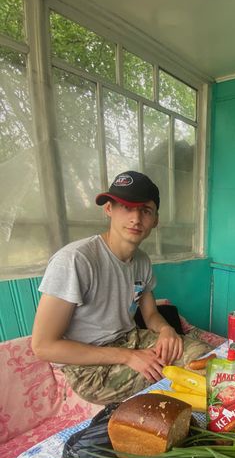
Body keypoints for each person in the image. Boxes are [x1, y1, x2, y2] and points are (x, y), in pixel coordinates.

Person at [32, 170, 206, 405]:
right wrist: (128, 357)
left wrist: (166, 331)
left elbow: (151, 314)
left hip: (132, 340)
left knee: (207, 358)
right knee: (177, 376)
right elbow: (43, 346)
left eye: (145, 210)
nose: (135, 218)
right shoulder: (75, 260)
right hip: (89, 367)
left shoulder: (141, 260)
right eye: (126, 207)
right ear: (109, 209)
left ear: (155, 220)